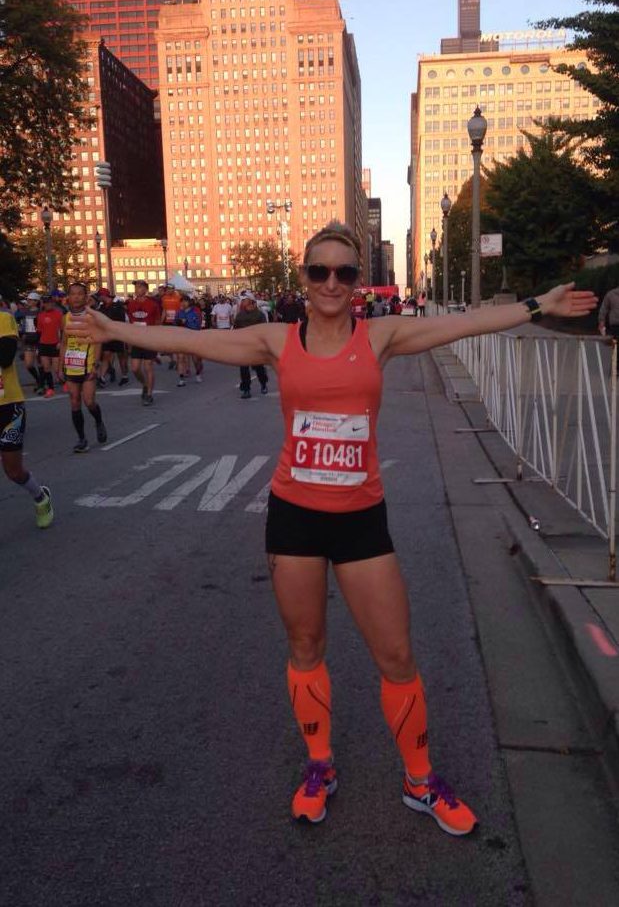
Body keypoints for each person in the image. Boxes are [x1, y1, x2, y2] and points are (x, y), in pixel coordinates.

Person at [67, 220, 596, 837]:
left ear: (357, 281)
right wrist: (113, 329)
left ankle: (420, 780)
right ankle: (320, 765)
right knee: (305, 647)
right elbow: (190, 340)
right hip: (294, 516)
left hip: (360, 519)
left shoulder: (380, 337)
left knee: (396, 654)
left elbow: (466, 324)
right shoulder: (275, 339)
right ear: (304, 276)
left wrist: (537, 305)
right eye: (319, 270)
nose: (331, 283)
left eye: (344, 272)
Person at [0, 307, 54, 527]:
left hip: (8, 406)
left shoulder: (4, 319)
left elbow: (5, 358)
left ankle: (40, 496)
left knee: (13, 471)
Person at [59, 283, 108, 454]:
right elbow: (64, 342)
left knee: (89, 401)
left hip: (88, 365)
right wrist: (60, 367)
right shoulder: (65, 318)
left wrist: (95, 364)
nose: (76, 297)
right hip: (71, 364)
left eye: (80, 294)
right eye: (73, 294)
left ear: (86, 297)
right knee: (74, 402)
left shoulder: (92, 317)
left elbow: (98, 341)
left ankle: (98, 421)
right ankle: (82, 439)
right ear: (68, 297)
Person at [126, 280, 160, 405]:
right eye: (135, 287)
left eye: (140, 287)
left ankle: (149, 394)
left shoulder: (153, 304)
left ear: (146, 289)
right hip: (136, 340)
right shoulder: (131, 304)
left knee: (148, 367)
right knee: (135, 368)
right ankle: (145, 384)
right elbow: (130, 322)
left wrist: (157, 340)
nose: (137, 289)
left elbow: (157, 322)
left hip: (149, 339)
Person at [232, 292, 269, 398]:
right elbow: (236, 328)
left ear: (252, 301)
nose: (243, 301)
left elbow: (264, 330)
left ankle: (263, 384)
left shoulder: (259, 314)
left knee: (258, 367)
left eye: (245, 299)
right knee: (244, 368)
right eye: (243, 300)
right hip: (244, 345)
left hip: (256, 345)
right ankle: (246, 389)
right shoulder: (240, 315)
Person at [97, 289, 129, 387]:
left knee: (120, 356)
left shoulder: (117, 306)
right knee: (106, 355)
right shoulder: (101, 307)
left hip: (118, 334)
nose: (98, 298)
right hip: (107, 335)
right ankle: (102, 378)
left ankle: (124, 376)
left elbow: (123, 320)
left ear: (104, 296)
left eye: (99, 296)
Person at [36, 293, 64, 397]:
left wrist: (61, 342)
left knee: (56, 369)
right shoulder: (40, 315)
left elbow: (62, 330)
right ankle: (51, 389)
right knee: (46, 368)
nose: (48, 305)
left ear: (53, 303)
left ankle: (65, 382)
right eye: (46, 303)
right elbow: (39, 332)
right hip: (43, 344)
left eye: (50, 302)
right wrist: (38, 346)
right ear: (43, 304)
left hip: (55, 344)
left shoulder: (58, 314)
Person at [175, 294, 204, 385]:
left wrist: (186, 322)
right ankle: (181, 379)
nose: (183, 303)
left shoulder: (194, 313)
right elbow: (174, 324)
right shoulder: (179, 312)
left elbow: (197, 326)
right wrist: (178, 322)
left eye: (185, 301)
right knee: (180, 358)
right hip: (181, 338)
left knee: (195, 360)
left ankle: (198, 374)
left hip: (192, 338)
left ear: (189, 302)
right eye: (182, 301)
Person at [18, 292, 42, 393]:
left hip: (39, 339)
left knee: (40, 364)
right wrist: (22, 337)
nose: (28, 301)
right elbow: (23, 326)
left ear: (36, 301)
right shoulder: (25, 312)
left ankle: (41, 384)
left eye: (30, 300)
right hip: (28, 340)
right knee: (28, 364)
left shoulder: (40, 312)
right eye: (28, 300)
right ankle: (38, 380)